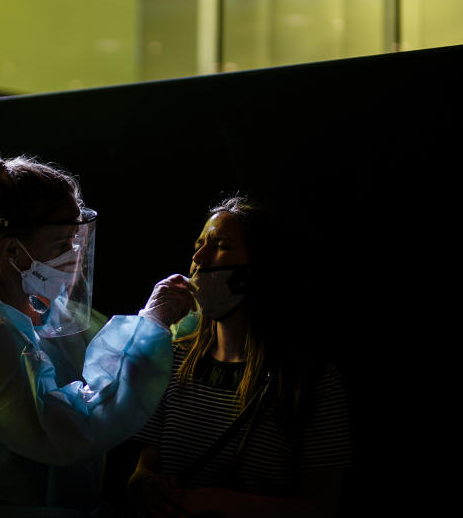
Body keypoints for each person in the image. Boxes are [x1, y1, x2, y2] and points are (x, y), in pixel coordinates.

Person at [0, 148, 195, 518]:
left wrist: (179, 320)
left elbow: (124, 352)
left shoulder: (46, 315)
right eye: (59, 245)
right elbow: (65, 428)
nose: (72, 255)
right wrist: (150, 323)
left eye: (74, 241)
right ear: (11, 251)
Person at [128, 195, 351, 518]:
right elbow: (144, 468)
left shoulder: (310, 379)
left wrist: (224, 503)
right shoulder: (173, 360)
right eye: (198, 245)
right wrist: (143, 487)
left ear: (260, 267)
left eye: (220, 245)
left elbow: (324, 506)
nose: (199, 258)